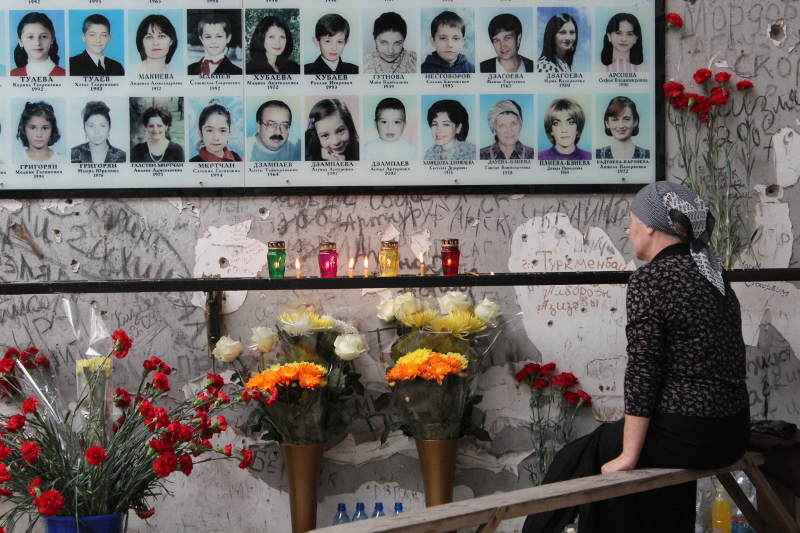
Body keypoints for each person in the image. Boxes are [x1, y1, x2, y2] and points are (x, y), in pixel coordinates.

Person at [522, 181, 750, 533]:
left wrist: (628, 456)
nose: (628, 231)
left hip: (691, 434)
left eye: (631, 221)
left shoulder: (652, 278)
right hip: (732, 433)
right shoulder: (712, 275)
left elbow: (643, 372)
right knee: (627, 452)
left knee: (583, 455)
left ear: (649, 226)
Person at [11, 12, 66, 76]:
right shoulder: (12, 75)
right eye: (30, 37)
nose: (37, 43)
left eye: (43, 36)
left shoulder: (65, 74)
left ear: (52, 40)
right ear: (20, 41)